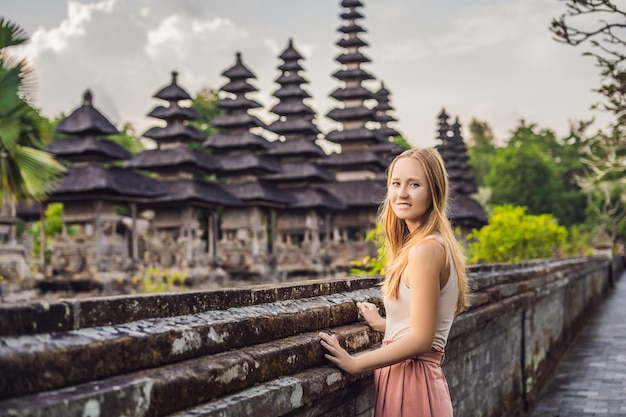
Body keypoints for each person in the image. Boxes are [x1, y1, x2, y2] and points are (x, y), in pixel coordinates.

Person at [319, 147, 468, 417]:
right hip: (408, 381)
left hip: (414, 384)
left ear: (433, 191)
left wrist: (355, 363)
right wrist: (383, 325)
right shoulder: (426, 246)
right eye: (396, 184)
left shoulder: (427, 249)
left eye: (414, 184)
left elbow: (423, 340)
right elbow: (421, 326)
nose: (402, 193)